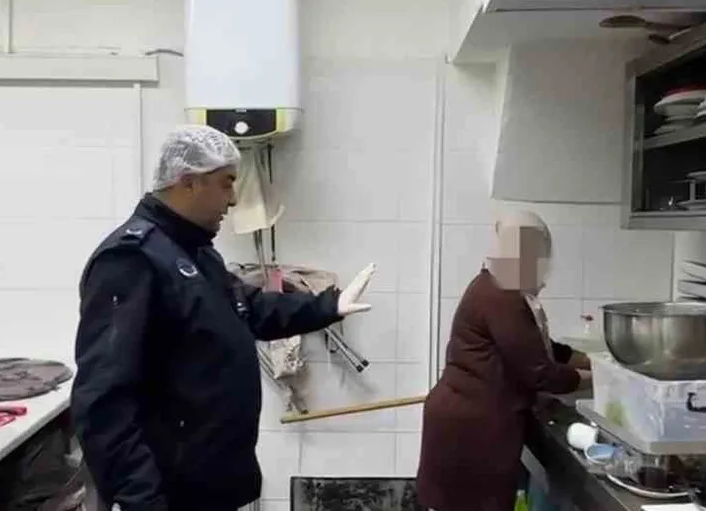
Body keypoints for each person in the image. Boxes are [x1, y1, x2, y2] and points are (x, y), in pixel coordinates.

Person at [70, 125, 377, 511]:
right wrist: (140, 499)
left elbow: (249, 308)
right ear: (189, 183)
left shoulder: (194, 252)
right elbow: (104, 401)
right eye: (226, 183)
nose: (233, 200)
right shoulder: (132, 260)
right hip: (166, 495)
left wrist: (326, 307)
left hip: (208, 485)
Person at [416, 209, 591, 511]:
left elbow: (540, 347)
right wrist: (600, 379)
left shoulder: (495, 286)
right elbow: (539, 372)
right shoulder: (501, 295)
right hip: (470, 431)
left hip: (468, 421)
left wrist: (591, 361)